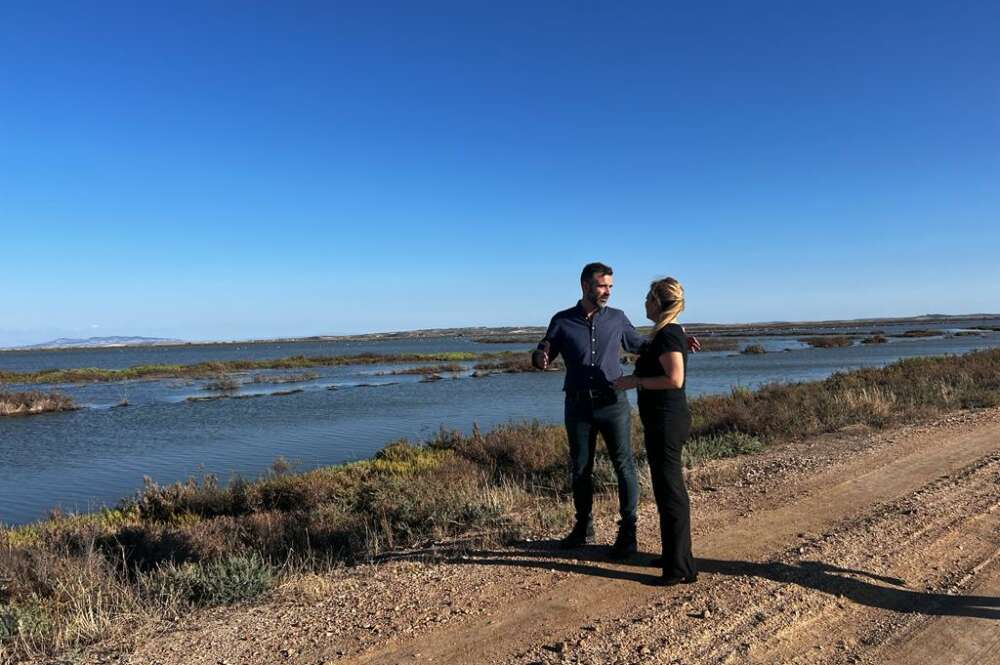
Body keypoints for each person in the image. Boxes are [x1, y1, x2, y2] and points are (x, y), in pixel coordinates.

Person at [532, 263, 698, 559]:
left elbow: (644, 345)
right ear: (585, 285)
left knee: (624, 465)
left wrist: (677, 341)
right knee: (581, 468)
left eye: (610, 286)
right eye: (601, 286)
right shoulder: (562, 320)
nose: (607, 291)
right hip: (578, 405)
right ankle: (583, 527)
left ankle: (628, 531)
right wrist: (540, 355)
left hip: (613, 403)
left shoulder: (618, 319)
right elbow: (547, 346)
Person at [613, 276, 697, 585]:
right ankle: (678, 558)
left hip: (667, 420)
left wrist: (634, 381)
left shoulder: (669, 335)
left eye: (648, 298)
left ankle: (678, 568)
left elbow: (674, 379)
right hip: (663, 419)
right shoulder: (668, 334)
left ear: (659, 303)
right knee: (667, 490)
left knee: (670, 491)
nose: (645, 304)